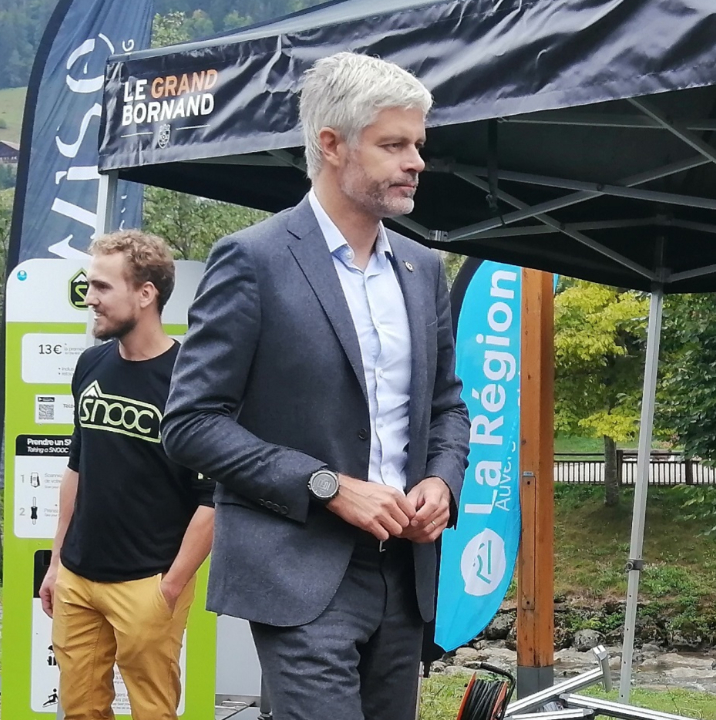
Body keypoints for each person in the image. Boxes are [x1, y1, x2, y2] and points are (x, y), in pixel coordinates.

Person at [162, 52, 471, 719]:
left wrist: (443, 481)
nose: (416, 161)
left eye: (418, 144)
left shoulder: (422, 267)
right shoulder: (253, 259)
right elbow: (190, 422)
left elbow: (448, 406)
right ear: (330, 145)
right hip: (297, 569)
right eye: (394, 144)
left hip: (405, 573)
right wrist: (325, 486)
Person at [37, 230, 215, 720]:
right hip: (77, 576)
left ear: (145, 293)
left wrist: (171, 589)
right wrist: (57, 562)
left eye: (102, 287)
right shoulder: (91, 363)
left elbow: (213, 500)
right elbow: (78, 465)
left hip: (149, 581)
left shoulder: (190, 382)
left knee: (152, 714)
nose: (89, 298)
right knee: (80, 711)